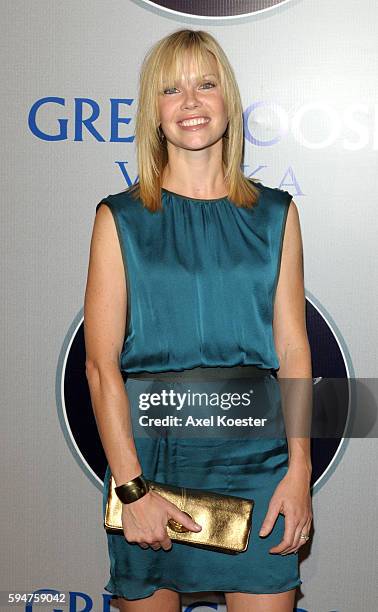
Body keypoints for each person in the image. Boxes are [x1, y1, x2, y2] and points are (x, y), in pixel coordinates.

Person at [84, 29, 313, 612]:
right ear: (154, 112)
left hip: (260, 465)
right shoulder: (121, 219)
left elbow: (292, 351)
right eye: (171, 89)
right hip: (151, 463)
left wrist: (300, 471)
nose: (190, 101)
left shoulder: (276, 216)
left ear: (228, 101)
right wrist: (131, 489)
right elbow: (101, 365)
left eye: (205, 84)